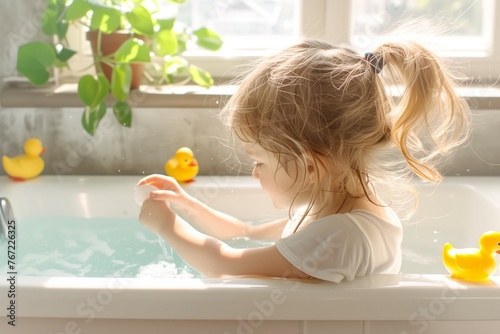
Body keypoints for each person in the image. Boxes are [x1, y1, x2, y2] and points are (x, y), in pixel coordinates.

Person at [137, 39, 469, 282]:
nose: (254, 173)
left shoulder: (342, 236)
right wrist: (186, 205)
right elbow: (243, 231)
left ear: (309, 166)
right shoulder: (329, 211)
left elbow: (222, 264)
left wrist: (168, 226)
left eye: (260, 162)